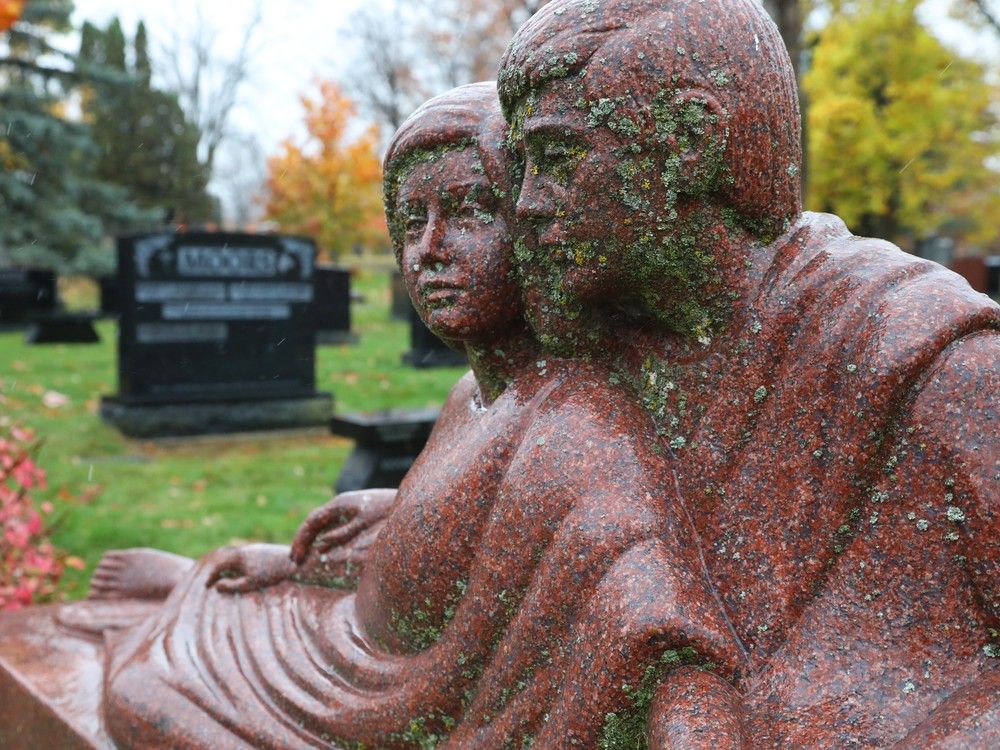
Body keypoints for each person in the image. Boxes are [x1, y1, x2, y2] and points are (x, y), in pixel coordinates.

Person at [88, 82, 745, 749]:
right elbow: (457, 568)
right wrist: (330, 545)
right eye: (410, 222)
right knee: (207, 611)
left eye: (466, 212)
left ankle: (188, 595)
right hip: (355, 650)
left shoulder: (575, 425)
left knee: (141, 691)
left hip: (392, 696)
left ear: (536, 227)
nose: (428, 247)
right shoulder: (473, 394)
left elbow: (659, 626)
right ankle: (202, 586)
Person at [498, 0, 1000, 745]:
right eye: (522, 167)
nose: (529, 203)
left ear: (691, 144)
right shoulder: (597, 355)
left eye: (560, 159)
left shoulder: (932, 362)